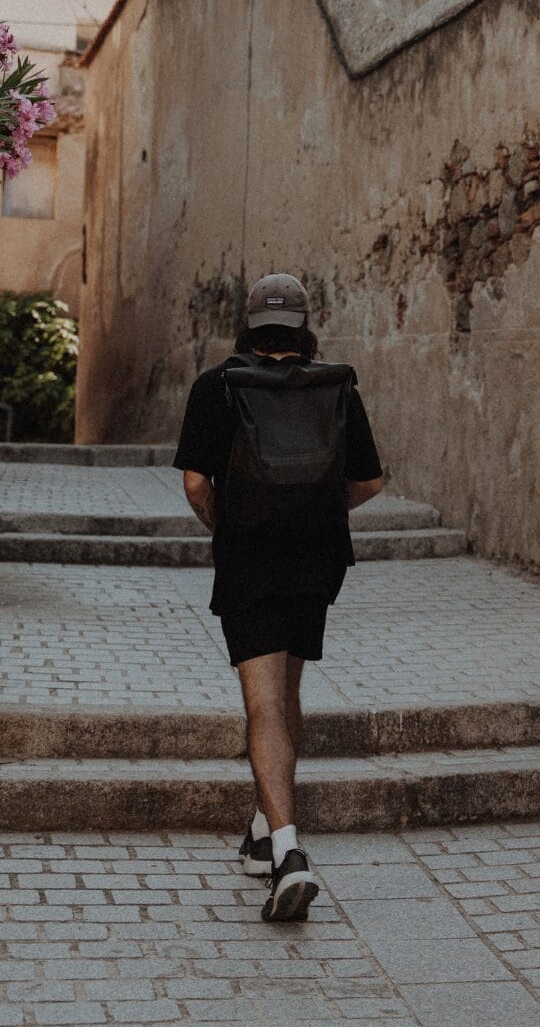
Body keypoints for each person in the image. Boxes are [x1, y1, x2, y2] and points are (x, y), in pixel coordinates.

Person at [175, 273, 385, 922]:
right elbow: (371, 482)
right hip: (317, 562)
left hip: (250, 562)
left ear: (249, 327)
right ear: (302, 327)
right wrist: (316, 511)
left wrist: (232, 522)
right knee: (289, 693)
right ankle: (263, 830)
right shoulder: (334, 388)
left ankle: (289, 855)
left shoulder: (218, 387)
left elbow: (192, 485)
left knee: (262, 705)